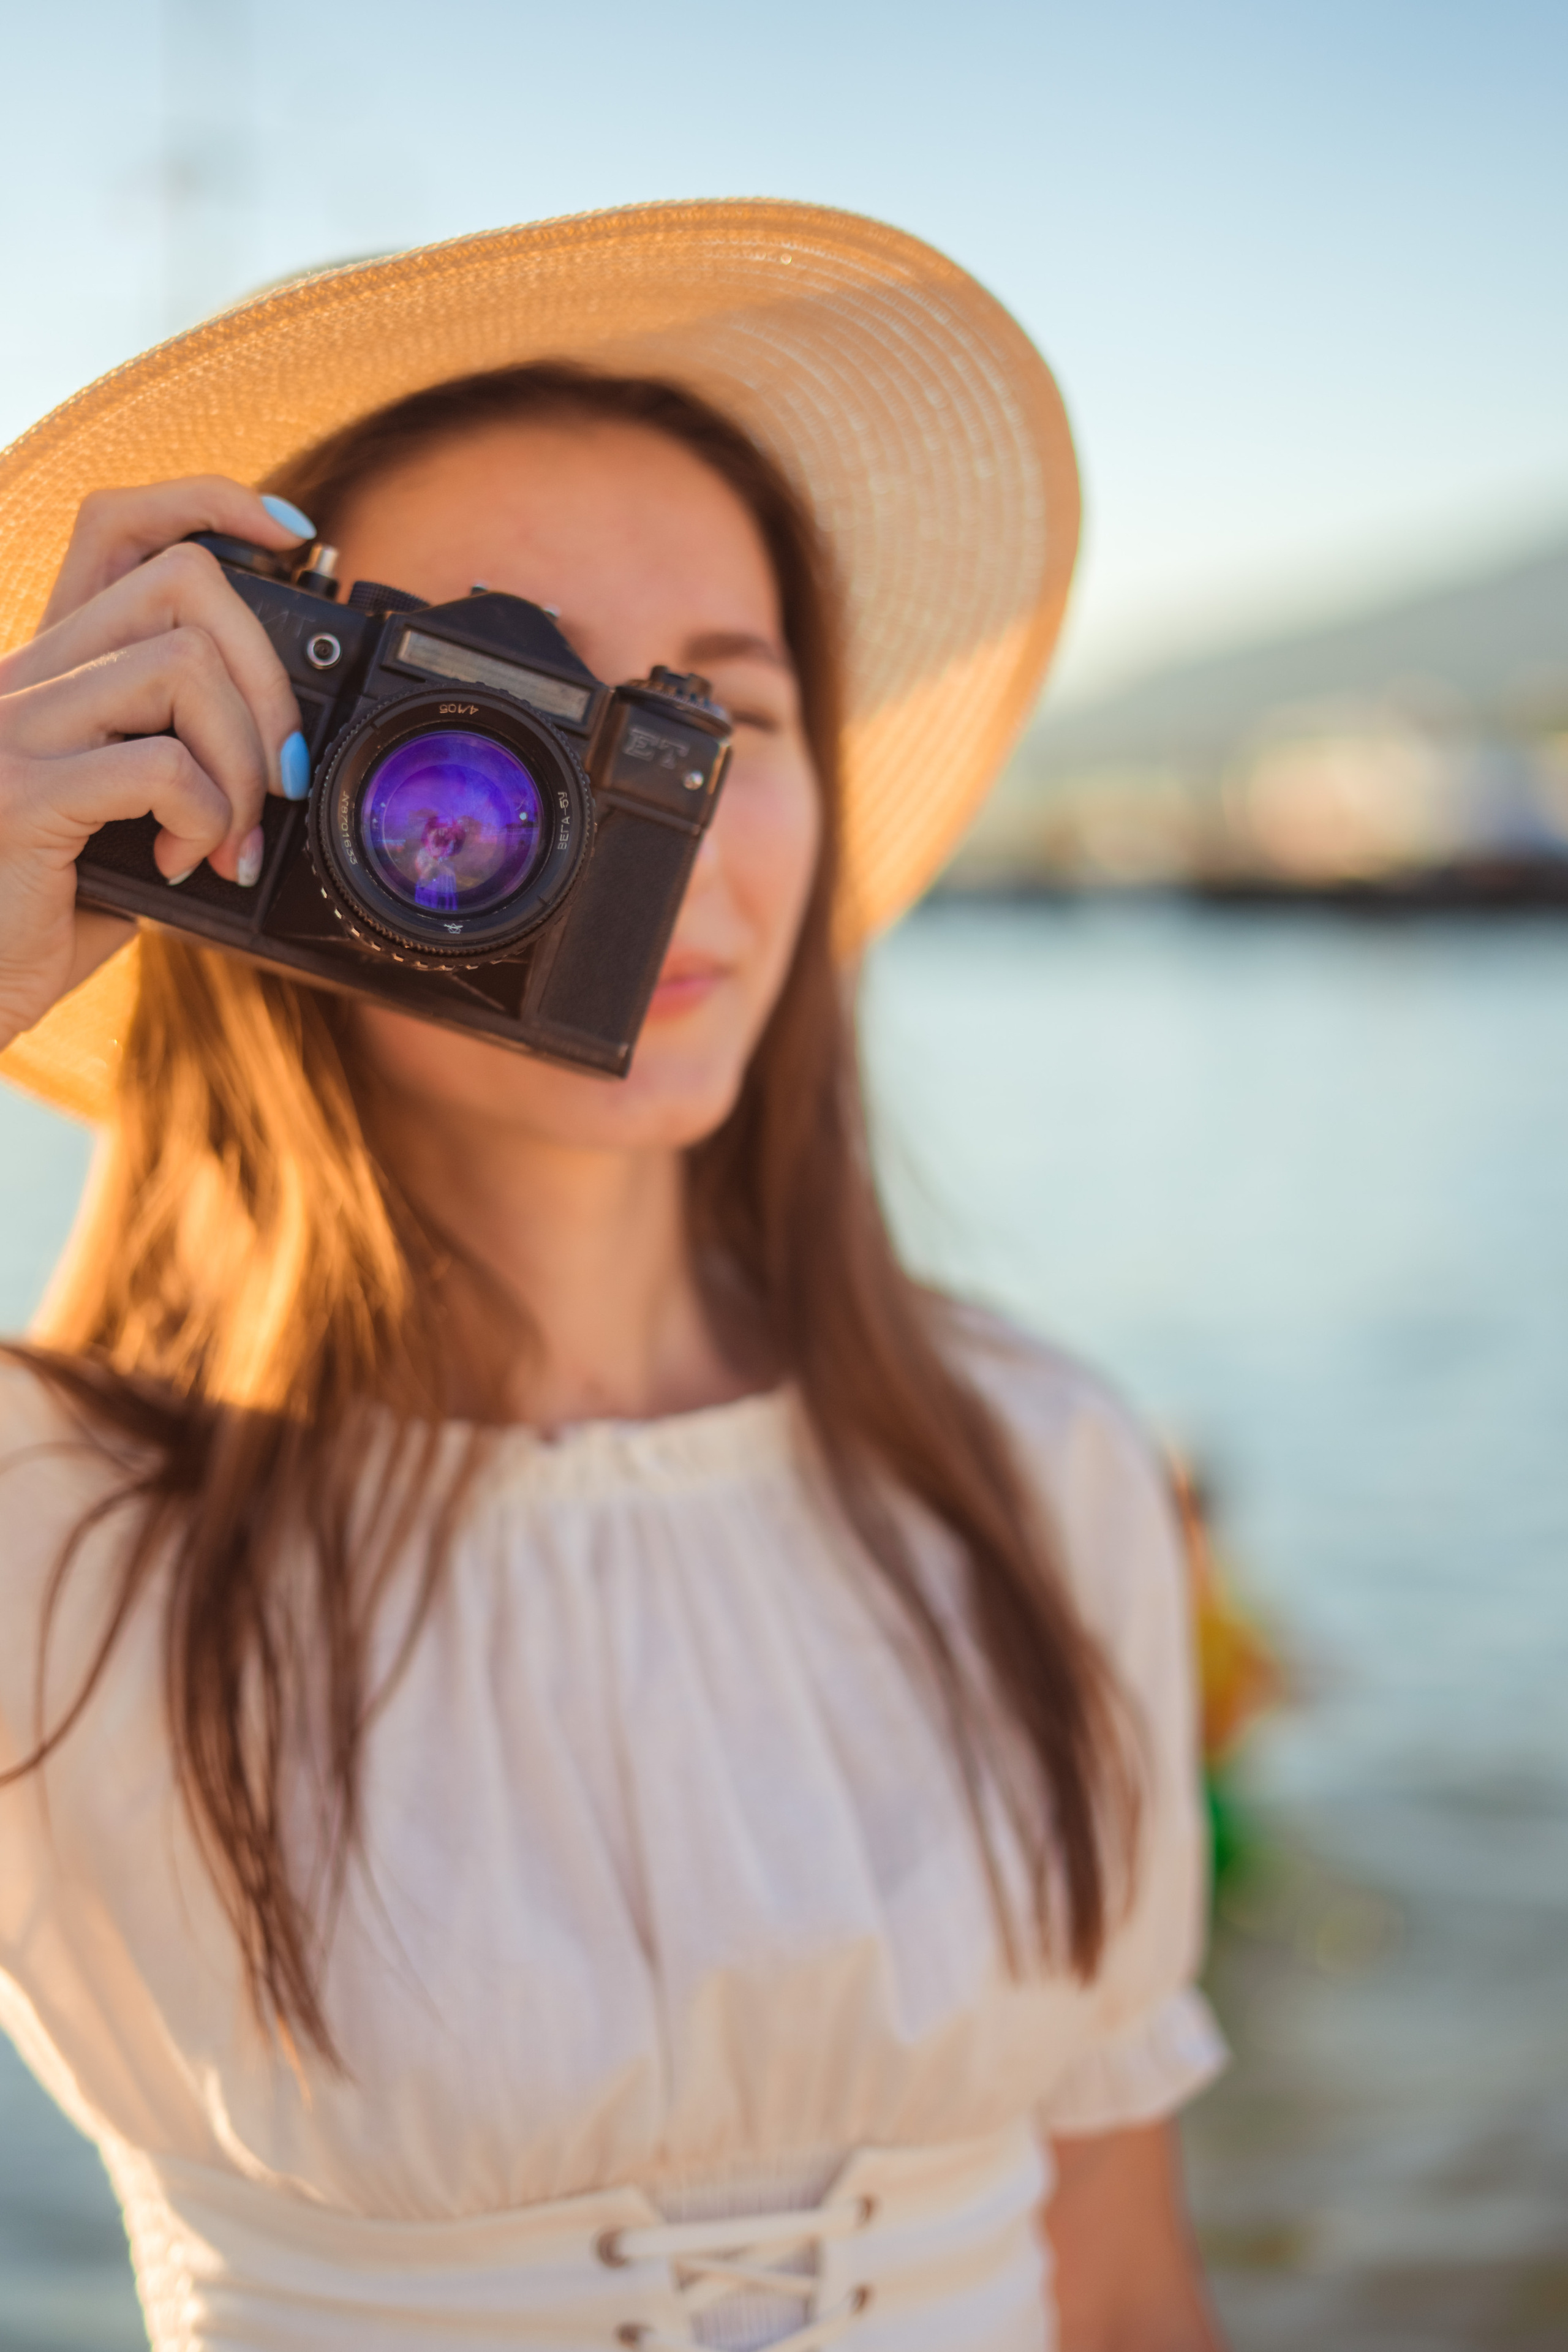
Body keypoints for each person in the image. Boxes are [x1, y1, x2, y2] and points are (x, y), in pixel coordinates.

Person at [0, 203, 1227, 2350]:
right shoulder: (56, 1525)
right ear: (259, 779)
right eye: (502, 724)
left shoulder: (1041, 1468)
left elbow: (1123, 2289)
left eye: (714, 717)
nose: (641, 841)